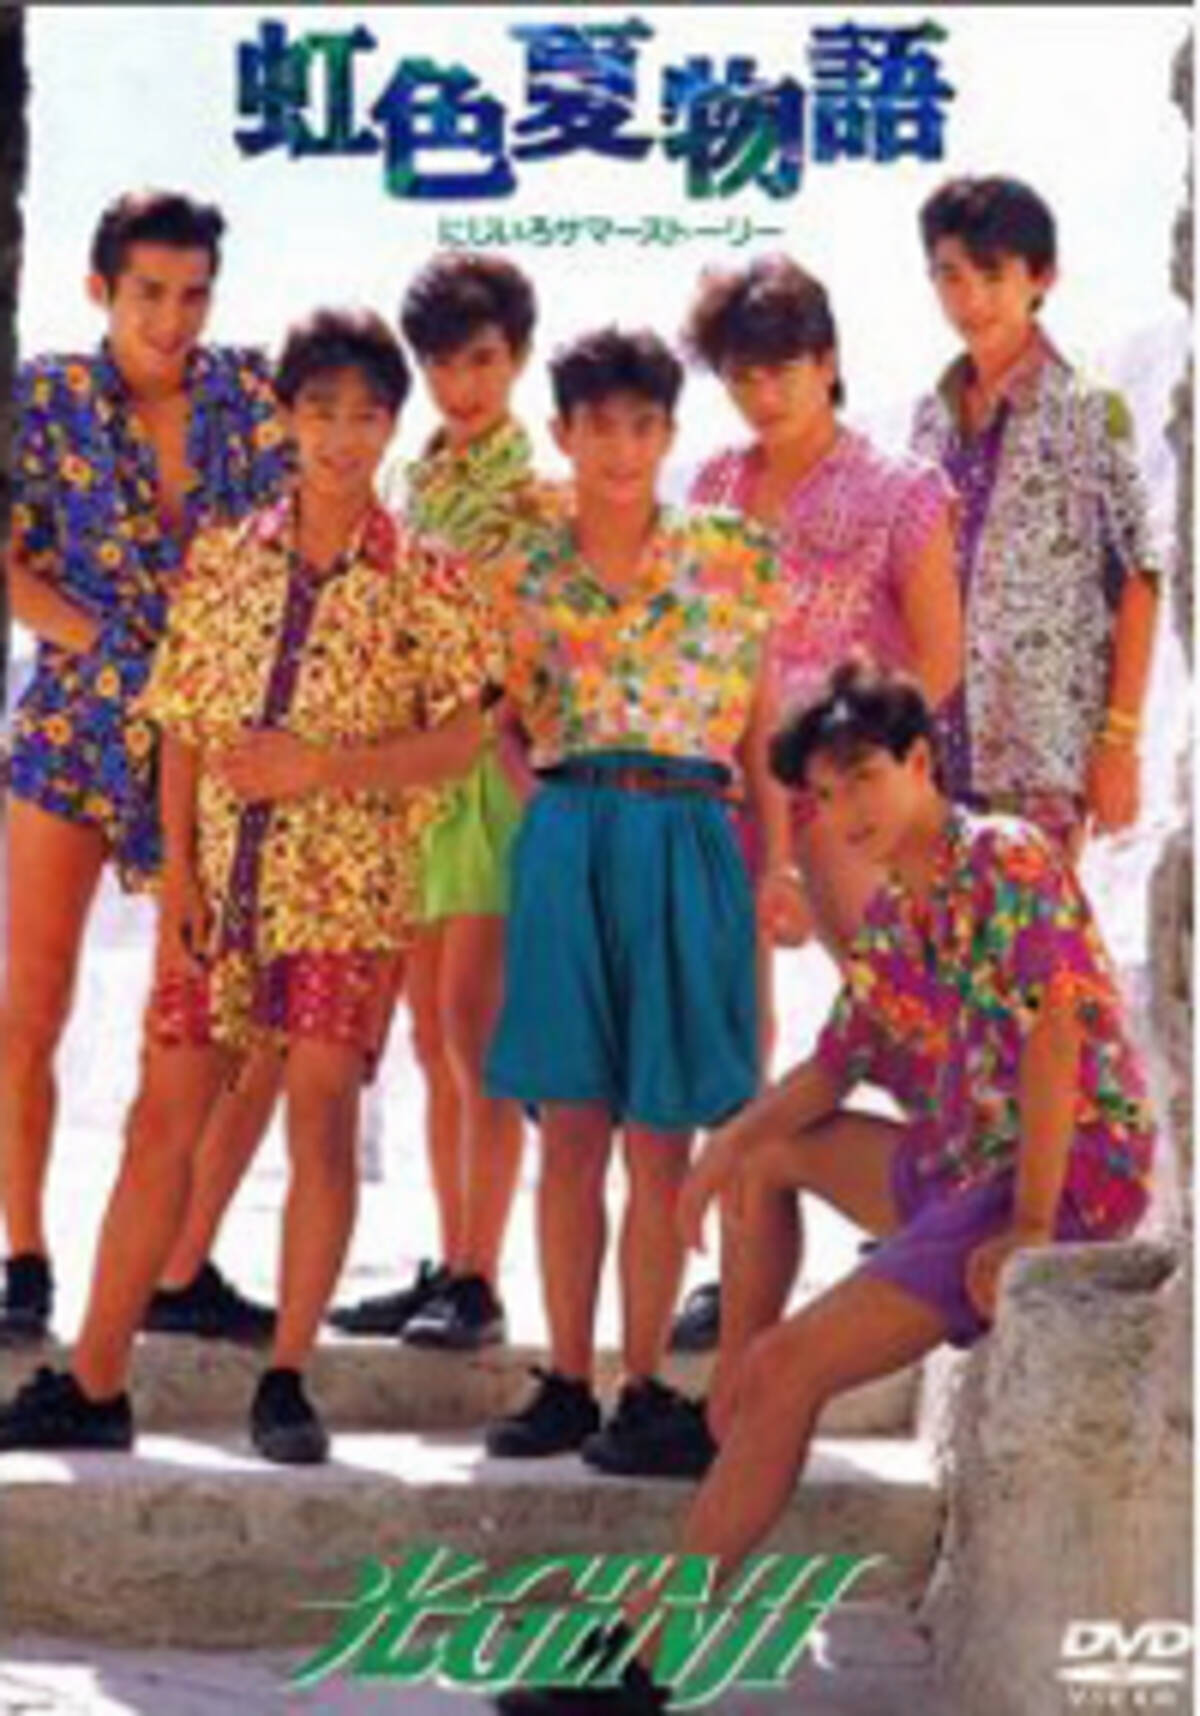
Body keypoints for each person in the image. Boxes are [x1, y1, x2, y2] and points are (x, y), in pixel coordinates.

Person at [495, 659, 1157, 1713]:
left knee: (796, 1368)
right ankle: (738, 1392)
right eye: (826, 794)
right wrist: (720, 1154)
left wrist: (1031, 1225)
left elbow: (1057, 1038)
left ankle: (646, 1654)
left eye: (865, 779)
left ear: (921, 762)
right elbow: (833, 1069)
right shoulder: (896, 913)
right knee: (769, 1157)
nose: (847, 811)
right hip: (959, 1164)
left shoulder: (1006, 857)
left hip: (1059, 1173)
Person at [0, 309, 493, 1463]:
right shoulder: (223, 562)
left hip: (347, 895)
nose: (340, 436)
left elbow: (463, 739)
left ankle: (286, 1381)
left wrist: (328, 769)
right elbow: (182, 725)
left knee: (320, 1116)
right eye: (319, 412)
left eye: (363, 415)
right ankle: (97, 1379)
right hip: (218, 892)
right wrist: (178, 875)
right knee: (159, 1121)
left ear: (390, 426)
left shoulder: (428, 579)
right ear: (283, 420)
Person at [480, 326, 795, 1478]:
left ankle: (646, 1385)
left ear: (669, 435)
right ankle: (568, 1380)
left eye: (643, 426)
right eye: (599, 427)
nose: (621, 448)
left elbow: (761, 738)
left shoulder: (734, 557)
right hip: (570, 839)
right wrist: (553, 810)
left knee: (662, 1134)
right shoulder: (520, 571)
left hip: (690, 834)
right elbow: (496, 721)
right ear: (561, 434)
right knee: (571, 1128)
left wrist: (777, 868)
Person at [0, 189, 290, 1345]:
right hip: (72, 730)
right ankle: (23, 1256)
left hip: (211, 746)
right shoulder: (43, 401)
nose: (172, 320)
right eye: (150, 295)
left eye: (193, 295)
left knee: (194, 1018)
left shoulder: (249, 400)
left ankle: (172, 1265)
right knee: (30, 1003)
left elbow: (287, 554)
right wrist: (119, 647)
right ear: (101, 290)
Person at [669, 253, 963, 1356]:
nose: (762, 393)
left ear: (828, 360)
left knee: (902, 1002)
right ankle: (739, 1252)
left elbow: (940, 658)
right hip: (727, 789)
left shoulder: (898, 487)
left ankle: (949, 1209)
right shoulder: (711, 487)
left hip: (846, 795)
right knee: (732, 1028)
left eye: (782, 368)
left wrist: (856, 779)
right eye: (741, 375)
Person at [329, 254, 559, 1350]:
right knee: (430, 1043)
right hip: (410, 778)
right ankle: (451, 1258)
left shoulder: (538, 498)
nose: (462, 386)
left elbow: (530, 648)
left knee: (478, 1039)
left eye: (482, 361)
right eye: (442, 365)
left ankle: (481, 1278)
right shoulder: (413, 489)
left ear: (517, 358)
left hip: (489, 772)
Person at [911, 174, 1161, 861]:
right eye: (950, 276)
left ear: (1041, 276)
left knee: (1031, 930)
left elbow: (1141, 575)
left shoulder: (1088, 410)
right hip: (931, 756)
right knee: (934, 931)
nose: (970, 299)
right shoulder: (929, 420)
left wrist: (1120, 743)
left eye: (992, 274)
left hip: (1040, 760)